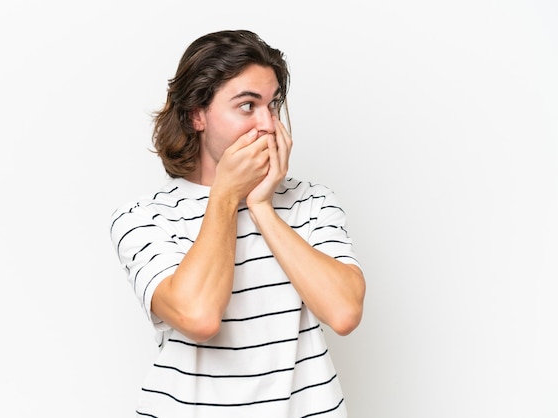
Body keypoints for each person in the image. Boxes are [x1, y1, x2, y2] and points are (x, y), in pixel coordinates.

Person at [110, 29, 366, 417]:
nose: (267, 124)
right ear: (197, 114)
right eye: (248, 106)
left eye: (273, 104)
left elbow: (344, 312)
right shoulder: (145, 218)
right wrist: (228, 197)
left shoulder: (312, 202)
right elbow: (198, 316)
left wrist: (261, 205)